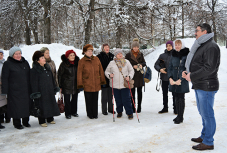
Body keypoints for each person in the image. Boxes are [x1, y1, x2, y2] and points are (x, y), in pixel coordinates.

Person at [183, 23, 220, 151]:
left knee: (207, 114)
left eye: (197, 31)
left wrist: (192, 76)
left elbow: (209, 68)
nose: (195, 33)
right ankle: (205, 135)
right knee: (203, 112)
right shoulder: (202, 45)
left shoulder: (211, 47)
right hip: (200, 84)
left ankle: (209, 142)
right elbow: (198, 64)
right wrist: (187, 73)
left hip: (207, 85)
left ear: (205, 32)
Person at [1, 47, 31, 129]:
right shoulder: (7, 64)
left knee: (26, 106)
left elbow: (29, 75)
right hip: (14, 90)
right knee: (16, 107)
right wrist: (5, 91)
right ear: (12, 55)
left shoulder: (25, 62)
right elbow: (4, 78)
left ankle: (26, 121)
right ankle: (17, 123)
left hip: (25, 89)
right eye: (16, 54)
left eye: (19, 53)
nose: (18, 55)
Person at [30, 51, 60, 127]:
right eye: (42, 58)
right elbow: (33, 83)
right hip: (41, 91)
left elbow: (52, 79)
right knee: (41, 105)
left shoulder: (47, 68)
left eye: (44, 57)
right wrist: (36, 93)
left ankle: (50, 118)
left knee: (50, 103)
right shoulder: (34, 70)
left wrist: (54, 88)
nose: (44, 59)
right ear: (37, 60)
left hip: (49, 90)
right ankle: (42, 120)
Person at [77, 44, 106, 119]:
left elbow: (101, 71)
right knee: (88, 100)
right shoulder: (81, 61)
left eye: (91, 51)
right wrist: (80, 85)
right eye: (88, 51)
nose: (90, 52)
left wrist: (102, 81)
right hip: (87, 84)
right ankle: (90, 114)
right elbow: (79, 74)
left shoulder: (96, 59)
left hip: (96, 83)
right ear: (85, 52)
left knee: (95, 99)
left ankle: (95, 114)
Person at [105, 48, 134, 119]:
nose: (120, 55)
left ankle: (129, 113)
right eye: (118, 54)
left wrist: (129, 76)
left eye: (121, 53)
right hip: (115, 85)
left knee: (126, 99)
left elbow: (131, 70)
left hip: (124, 84)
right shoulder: (112, 63)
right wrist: (109, 75)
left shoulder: (126, 61)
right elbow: (106, 71)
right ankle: (119, 112)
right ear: (115, 55)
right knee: (118, 100)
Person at [168, 40, 189, 124]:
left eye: (178, 45)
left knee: (181, 98)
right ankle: (178, 115)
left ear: (182, 45)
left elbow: (187, 68)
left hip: (182, 79)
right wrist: (170, 78)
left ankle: (181, 117)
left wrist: (181, 79)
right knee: (175, 97)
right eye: (175, 45)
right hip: (173, 79)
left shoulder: (186, 54)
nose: (177, 46)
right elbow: (169, 67)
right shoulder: (173, 54)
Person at [154, 41, 176, 114]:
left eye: (170, 45)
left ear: (172, 46)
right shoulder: (162, 56)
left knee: (174, 93)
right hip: (164, 78)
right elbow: (156, 65)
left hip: (173, 78)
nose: (168, 47)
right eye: (167, 45)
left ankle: (175, 108)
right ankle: (165, 107)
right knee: (164, 93)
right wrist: (160, 69)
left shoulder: (175, 55)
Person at [58, 50, 80, 119]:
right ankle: (67, 113)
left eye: (73, 55)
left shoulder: (77, 63)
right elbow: (59, 75)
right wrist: (60, 85)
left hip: (75, 84)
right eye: (71, 55)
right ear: (67, 56)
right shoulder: (63, 64)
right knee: (67, 100)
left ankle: (74, 112)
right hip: (66, 84)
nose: (72, 57)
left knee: (74, 99)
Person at [125, 38, 146, 113]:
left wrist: (141, 65)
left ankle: (139, 106)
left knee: (139, 92)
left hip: (139, 75)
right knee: (132, 92)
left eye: (137, 47)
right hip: (132, 75)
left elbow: (144, 63)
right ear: (132, 47)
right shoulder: (128, 55)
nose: (136, 48)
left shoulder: (141, 54)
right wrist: (133, 66)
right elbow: (125, 64)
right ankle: (133, 107)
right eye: (134, 47)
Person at [97, 43, 115, 115]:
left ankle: (110, 109)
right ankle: (104, 110)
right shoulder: (99, 56)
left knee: (110, 94)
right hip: (103, 78)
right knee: (104, 95)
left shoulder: (112, 56)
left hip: (111, 78)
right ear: (102, 48)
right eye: (105, 47)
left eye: (108, 47)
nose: (107, 48)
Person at [0, 50, 7, 130]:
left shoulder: (5, 63)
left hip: (4, 85)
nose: (0, 56)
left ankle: (6, 117)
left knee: (4, 102)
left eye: (1, 54)